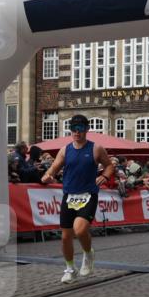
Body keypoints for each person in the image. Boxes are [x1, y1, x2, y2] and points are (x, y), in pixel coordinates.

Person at [40, 114, 114, 284]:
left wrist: (104, 176)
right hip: (69, 196)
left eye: (80, 129)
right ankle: (70, 269)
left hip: (88, 195)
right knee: (65, 237)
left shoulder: (96, 149)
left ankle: (88, 254)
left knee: (80, 230)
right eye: (73, 129)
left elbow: (109, 165)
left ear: (87, 129)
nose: (76, 132)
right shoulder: (65, 150)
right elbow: (53, 168)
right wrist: (47, 176)